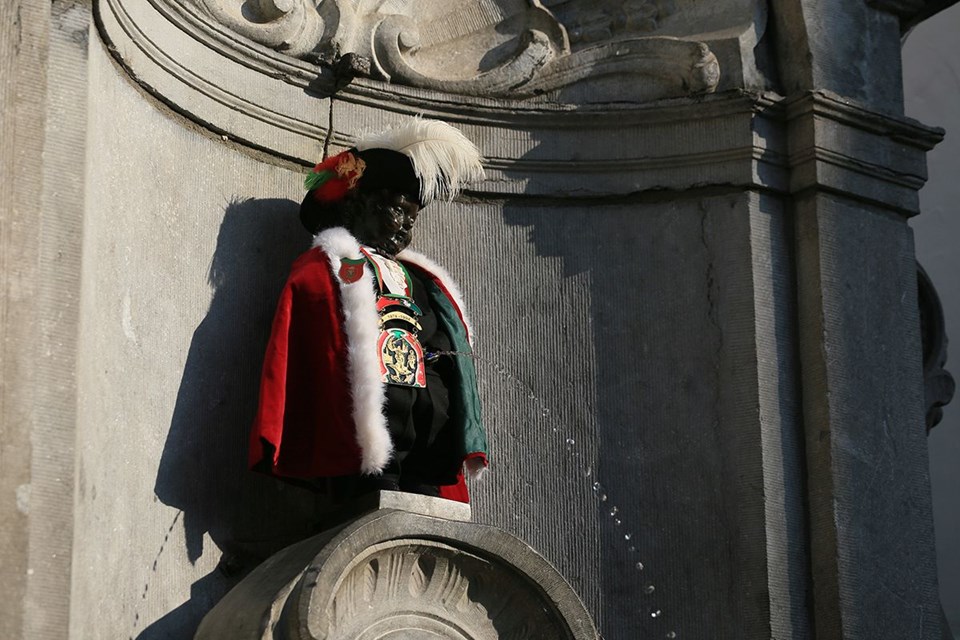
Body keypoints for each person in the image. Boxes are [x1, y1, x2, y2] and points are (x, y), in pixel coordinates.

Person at [249, 119, 488, 503]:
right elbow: (317, 328)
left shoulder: (422, 279)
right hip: (364, 417)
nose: (404, 227)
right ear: (359, 206)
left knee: (426, 498)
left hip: (428, 418)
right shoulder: (330, 267)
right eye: (397, 211)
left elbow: (441, 329)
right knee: (368, 491)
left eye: (411, 219)